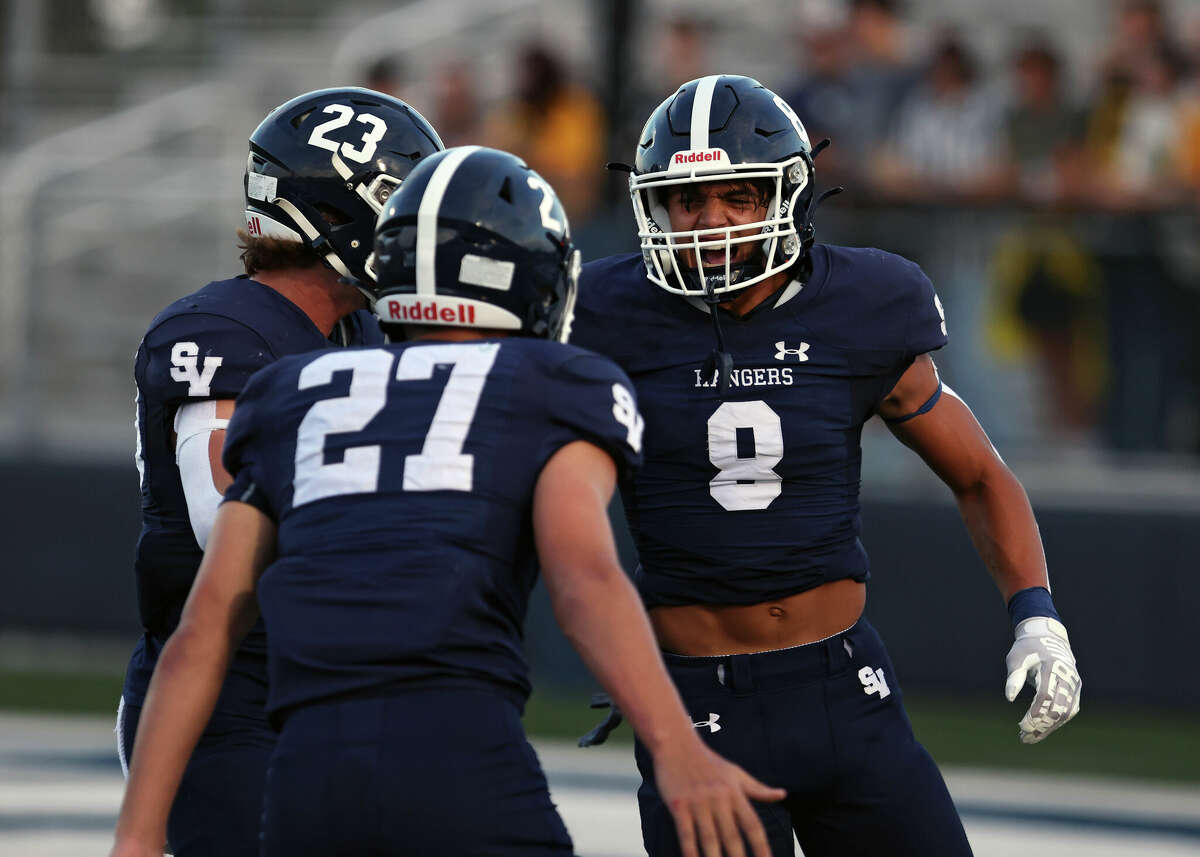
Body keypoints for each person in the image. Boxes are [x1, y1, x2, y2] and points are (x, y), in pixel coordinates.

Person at [110, 145, 785, 857]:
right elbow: (585, 581)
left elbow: (204, 627)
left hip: (307, 769)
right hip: (457, 753)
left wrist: (136, 833)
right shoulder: (554, 382)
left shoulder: (294, 390)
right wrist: (676, 745)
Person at [571, 75, 1083, 857]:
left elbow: (979, 473)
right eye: (688, 200)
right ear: (653, 205)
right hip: (694, 703)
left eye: (738, 196)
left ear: (789, 194)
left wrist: (1036, 613)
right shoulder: (603, 311)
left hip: (846, 689)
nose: (710, 222)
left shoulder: (864, 302)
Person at [119, 87, 444, 857]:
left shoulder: (366, 329)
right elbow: (223, 515)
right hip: (231, 695)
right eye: (399, 203)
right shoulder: (224, 331)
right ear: (335, 214)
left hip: (337, 687)